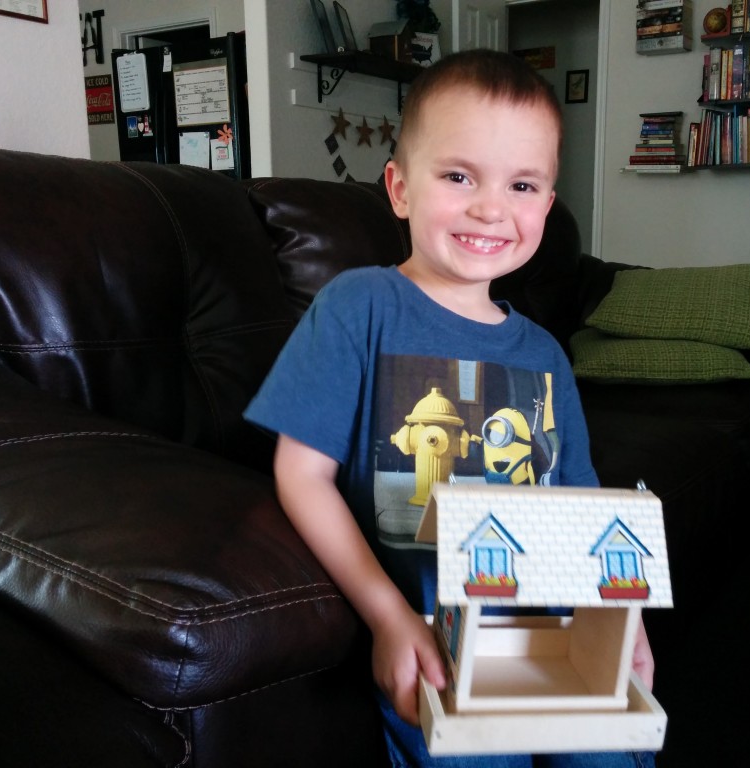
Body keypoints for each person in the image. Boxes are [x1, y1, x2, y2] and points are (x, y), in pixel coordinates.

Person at [244, 49, 654, 768]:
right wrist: (387, 616)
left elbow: (583, 505)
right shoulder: (359, 306)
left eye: (521, 184)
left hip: (555, 641)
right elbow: (301, 475)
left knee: (610, 755)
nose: (491, 207)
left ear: (546, 206)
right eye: (459, 176)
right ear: (400, 188)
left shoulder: (546, 354)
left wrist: (623, 618)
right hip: (437, 646)